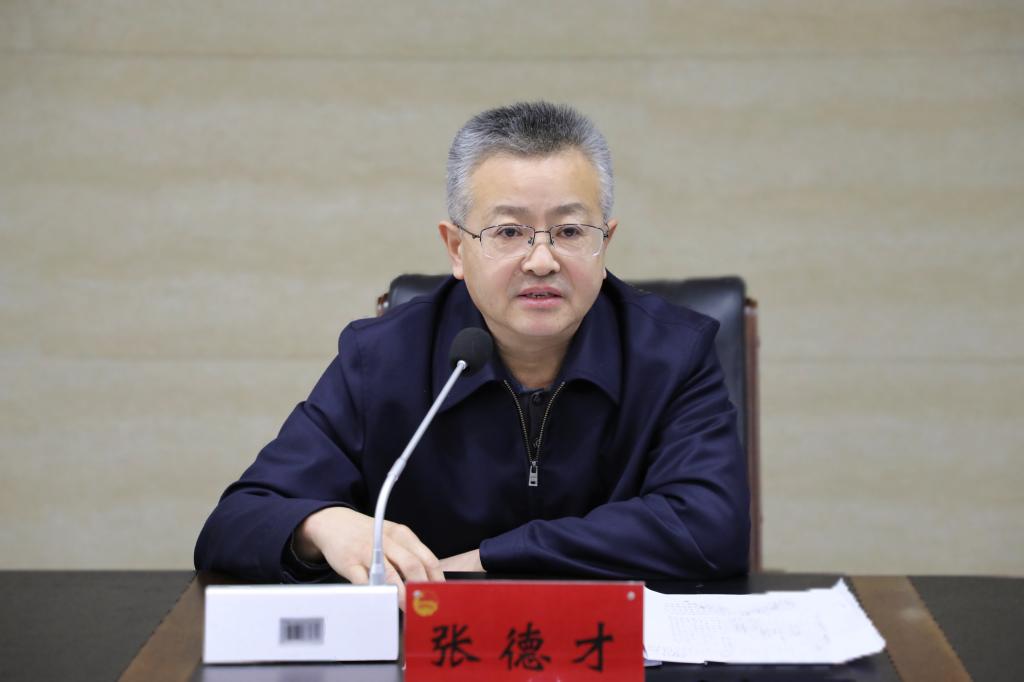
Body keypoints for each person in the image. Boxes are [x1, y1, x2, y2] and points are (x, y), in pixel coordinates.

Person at [194, 102, 749, 599]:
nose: (541, 261)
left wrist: (492, 558)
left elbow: (711, 528)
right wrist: (320, 526)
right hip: (432, 652)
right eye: (508, 233)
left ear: (605, 242)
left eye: (570, 231)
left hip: (614, 655)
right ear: (457, 248)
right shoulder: (382, 358)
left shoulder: (673, 354)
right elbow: (236, 523)